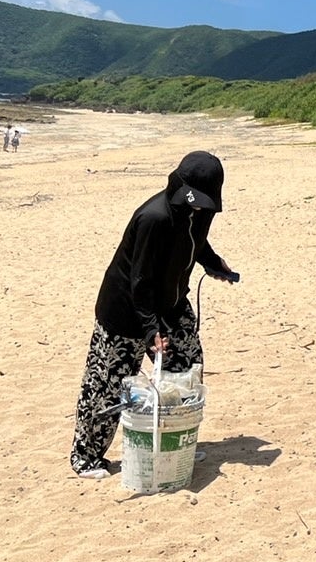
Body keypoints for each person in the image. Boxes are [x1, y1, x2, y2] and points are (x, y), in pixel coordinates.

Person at [69, 150, 238, 478]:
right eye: (195, 199)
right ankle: (85, 457)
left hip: (172, 304)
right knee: (107, 383)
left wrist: (214, 264)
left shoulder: (199, 210)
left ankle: (174, 440)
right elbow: (140, 281)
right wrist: (150, 330)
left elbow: (195, 242)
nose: (200, 206)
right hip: (126, 311)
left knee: (186, 372)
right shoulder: (154, 217)